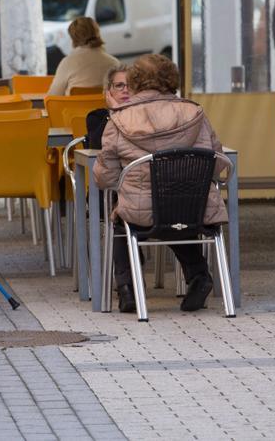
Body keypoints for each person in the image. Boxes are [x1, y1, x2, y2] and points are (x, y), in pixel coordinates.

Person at [94, 54, 228, 314]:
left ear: (135, 81)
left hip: (140, 211)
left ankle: (128, 288)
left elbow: (105, 177)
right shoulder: (195, 113)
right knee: (175, 206)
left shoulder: (119, 119)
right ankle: (199, 274)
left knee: (121, 213)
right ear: (171, 79)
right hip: (194, 210)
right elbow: (218, 163)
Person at [48, 17, 121, 96]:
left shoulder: (67, 63)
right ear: (97, 33)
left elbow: (53, 95)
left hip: (74, 108)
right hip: (106, 108)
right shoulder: (115, 64)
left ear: (73, 38)